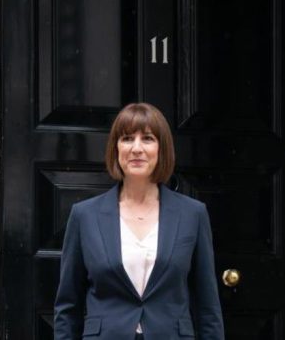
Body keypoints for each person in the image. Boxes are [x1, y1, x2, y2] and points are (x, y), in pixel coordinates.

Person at [53, 103, 225, 339]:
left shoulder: (192, 215)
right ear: (116, 149)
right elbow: (68, 306)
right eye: (126, 139)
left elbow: (208, 307)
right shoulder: (85, 216)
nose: (136, 148)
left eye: (147, 138)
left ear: (161, 149)